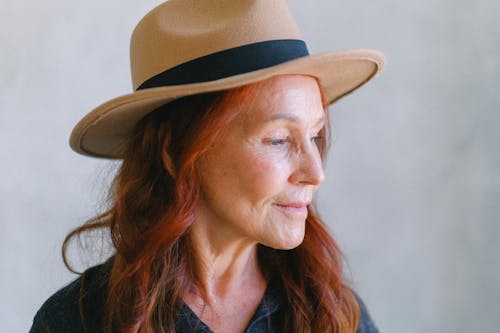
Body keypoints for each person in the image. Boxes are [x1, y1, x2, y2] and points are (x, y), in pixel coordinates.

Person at [30, 0, 385, 332]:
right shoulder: (77, 321)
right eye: (278, 140)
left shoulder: (336, 315)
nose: (315, 173)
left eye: (315, 136)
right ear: (177, 150)